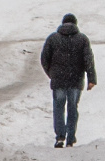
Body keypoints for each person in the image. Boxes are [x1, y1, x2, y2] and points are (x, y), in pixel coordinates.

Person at [41, 13, 97, 147]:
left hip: (58, 79)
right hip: (75, 80)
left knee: (58, 108)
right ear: (75, 24)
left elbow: (44, 59)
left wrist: (51, 73)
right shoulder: (82, 39)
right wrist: (91, 79)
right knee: (72, 108)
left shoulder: (53, 39)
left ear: (62, 23)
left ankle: (60, 137)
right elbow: (88, 60)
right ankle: (70, 138)